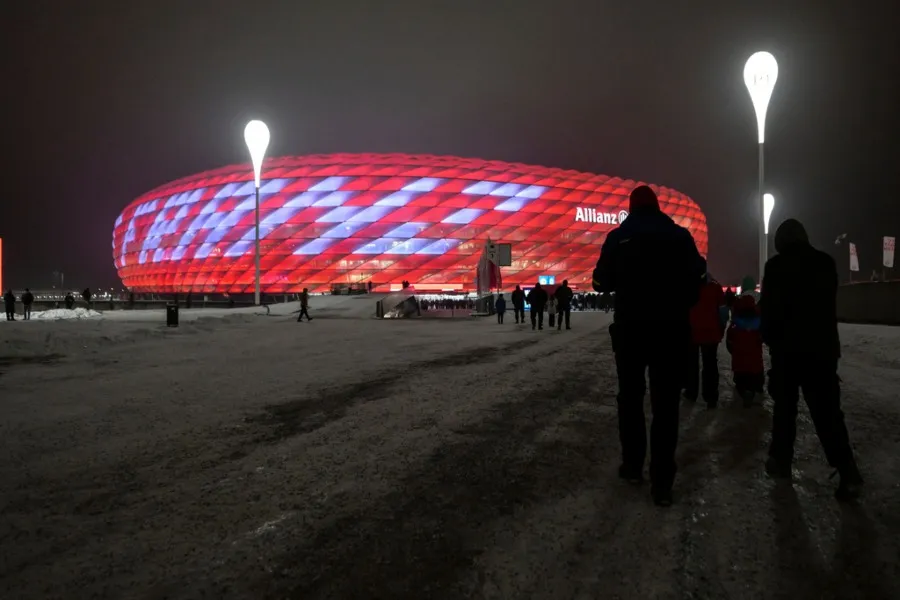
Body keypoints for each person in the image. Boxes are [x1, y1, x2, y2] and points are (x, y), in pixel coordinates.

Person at [592, 185, 705, 507]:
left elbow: (601, 282)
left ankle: (632, 466)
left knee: (630, 398)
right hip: (670, 331)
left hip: (631, 330)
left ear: (631, 208)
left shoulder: (618, 237)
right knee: (666, 404)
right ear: (657, 207)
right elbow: (698, 277)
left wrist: (611, 282)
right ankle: (662, 482)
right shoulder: (680, 236)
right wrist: (681, 305)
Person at [761, 218, 863, 500]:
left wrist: (769, 338)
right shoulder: (825, 263)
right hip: (822, 352)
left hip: (787, 353)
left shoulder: (776, 267)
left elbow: (769, 312)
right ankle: (848, 471)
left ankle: (780, 461)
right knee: (828, 415)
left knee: (784, 412)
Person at [685, 270, 727, 408]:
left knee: (691, 364)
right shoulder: (715, 287)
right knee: (710, 365)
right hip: (711, 332)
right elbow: (723, 312)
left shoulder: (687, 287)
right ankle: (711, 397)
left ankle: (691, 392)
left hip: (691, 332)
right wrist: (721, 328)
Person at [726, 294, 764, 407]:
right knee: (755, 375)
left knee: (741, 378)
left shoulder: (735, 324)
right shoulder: (759, 323)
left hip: (739, 362)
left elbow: (729, 341)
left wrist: (733, 350)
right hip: (755, 363)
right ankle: (754, 389)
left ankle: (743, 391)